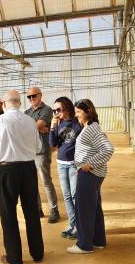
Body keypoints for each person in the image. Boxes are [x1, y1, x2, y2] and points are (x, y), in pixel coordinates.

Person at [0, 90, 44, 264]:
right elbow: (38, 146)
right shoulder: (30, 120)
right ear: (19, 103)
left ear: (4, 103)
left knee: (8, 214)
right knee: (32, 212)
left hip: (8, 169)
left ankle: (15, 258)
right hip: (28, 169)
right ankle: (37, 254)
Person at [67, 99, 114, 254]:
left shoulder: (92, 129)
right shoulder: (89, 127)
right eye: (76, 112)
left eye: (79, 112)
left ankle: (84, 245)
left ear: (89, 111)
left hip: (90, 174)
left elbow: (108, 149)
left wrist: (89, 164)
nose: (76, 115)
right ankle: (98, 240)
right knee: (93, 209)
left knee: (84, 209)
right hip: (91, 173)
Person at [25, 86, 60, 223]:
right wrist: (38, 128)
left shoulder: (46, 110)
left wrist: (37, 127)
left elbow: (34, 126)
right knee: (32, 183)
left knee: (46, 181)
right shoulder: (26, 112)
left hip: (41, 152)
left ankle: (54, 210)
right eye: (29, 97)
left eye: (34, 96)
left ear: (40, 95)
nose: (32, 99)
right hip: (28, 152)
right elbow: (27, 129)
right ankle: (37, 209)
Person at [49, 97, 82, 240]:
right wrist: (52, 127)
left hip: (74, 164)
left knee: (75, 195)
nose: (56, 113)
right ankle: (72, 224)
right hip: (61, 164)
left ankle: (79, 227)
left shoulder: (77, 122)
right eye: (54, 110)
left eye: (58, 109)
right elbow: (52, 143)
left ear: (67, 108)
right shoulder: (58, 123)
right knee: (67, 196)